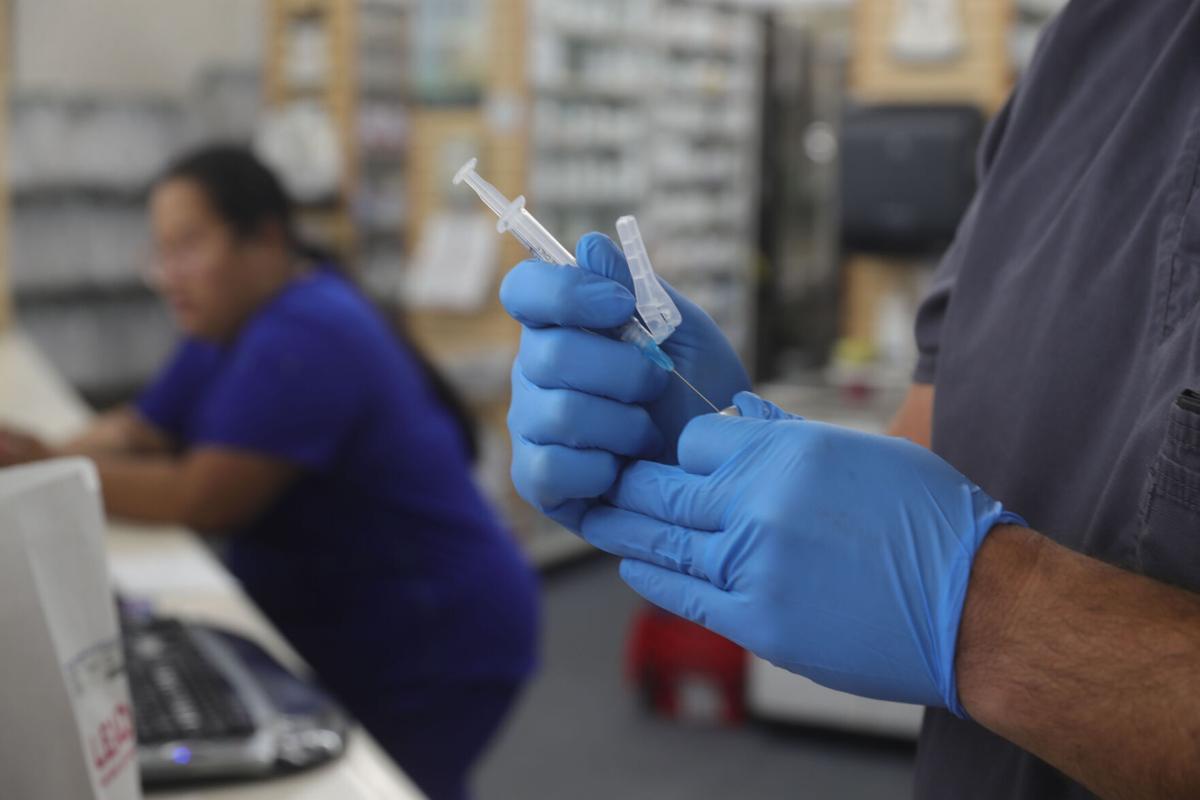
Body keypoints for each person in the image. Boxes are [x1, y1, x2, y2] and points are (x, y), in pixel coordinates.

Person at [497, 1, 1200, 797]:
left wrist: (995, 617)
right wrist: (726, 447)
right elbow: (946, 446)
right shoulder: (1086, 54)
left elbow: (949, 572)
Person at [0, 145, 538, 800]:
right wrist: (41, 464)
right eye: (160, 251)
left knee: (385, 784)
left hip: (436, 635)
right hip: (359, 618)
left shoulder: (308, 332)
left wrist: (50, 467)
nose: (168, 274)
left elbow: (203, 496)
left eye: (188, 246)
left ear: (265, 239)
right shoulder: (230, 320)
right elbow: (139, 426)